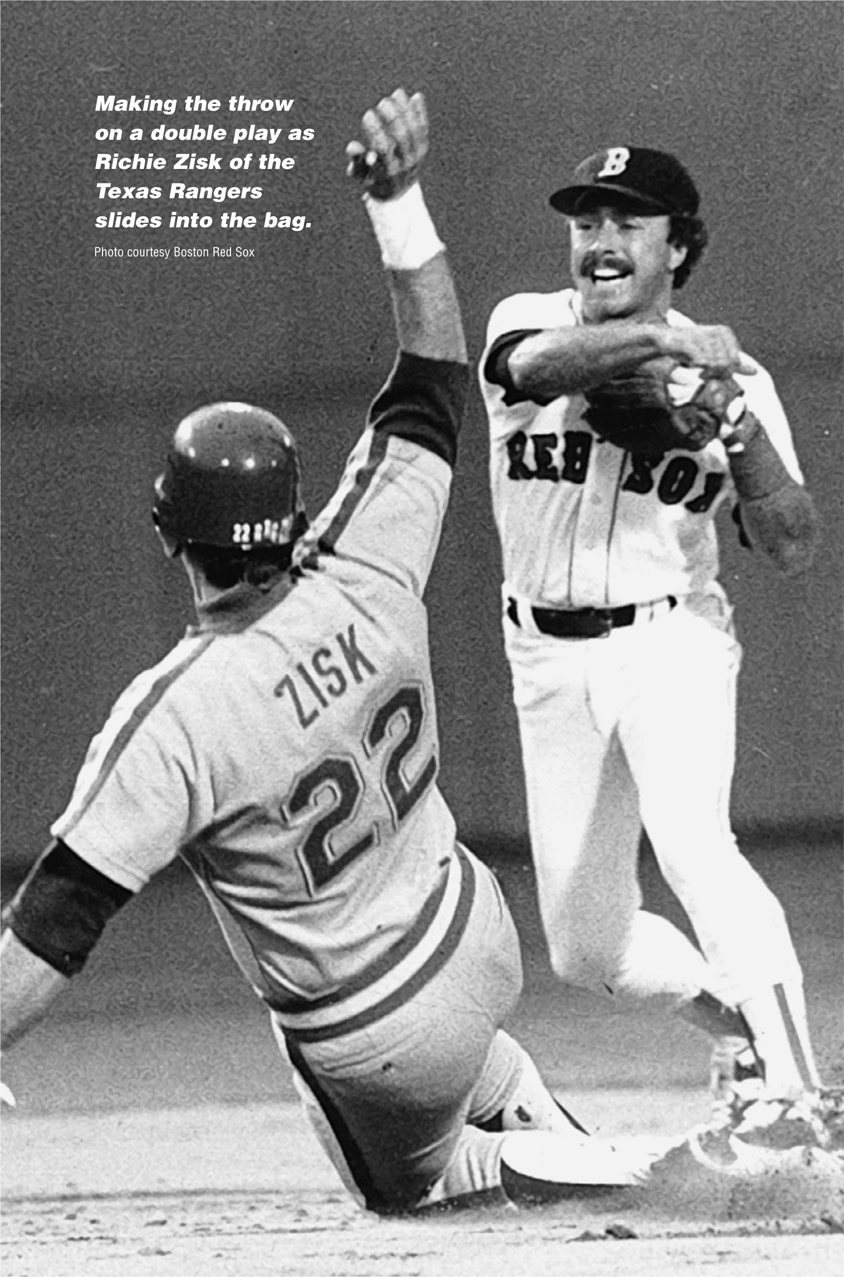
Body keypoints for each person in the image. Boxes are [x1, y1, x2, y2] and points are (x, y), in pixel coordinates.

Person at [0, 92, 651, 1215]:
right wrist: (396, 201)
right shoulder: (363, 555)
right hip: (473, 934)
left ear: (170, 532)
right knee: (470, 1067)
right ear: (296, 513)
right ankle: (548, 1123)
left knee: (412, 1190)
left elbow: (56, 918)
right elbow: (436, 380)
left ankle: (522, 1161)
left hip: (376, 1035)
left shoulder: (178, 715)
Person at [479, 145, 834, 1146]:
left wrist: (726, 422)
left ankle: (798, 1098)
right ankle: (743, 1036)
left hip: (669, 637)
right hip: (545, 659)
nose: (598, 239)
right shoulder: (526, 321)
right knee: (585, 948)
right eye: (586, 220)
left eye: (626, 222)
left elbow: (791, 539)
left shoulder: (733, 376)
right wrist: (652, 353)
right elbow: (538, 369)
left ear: (676, 246)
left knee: (691, 841)